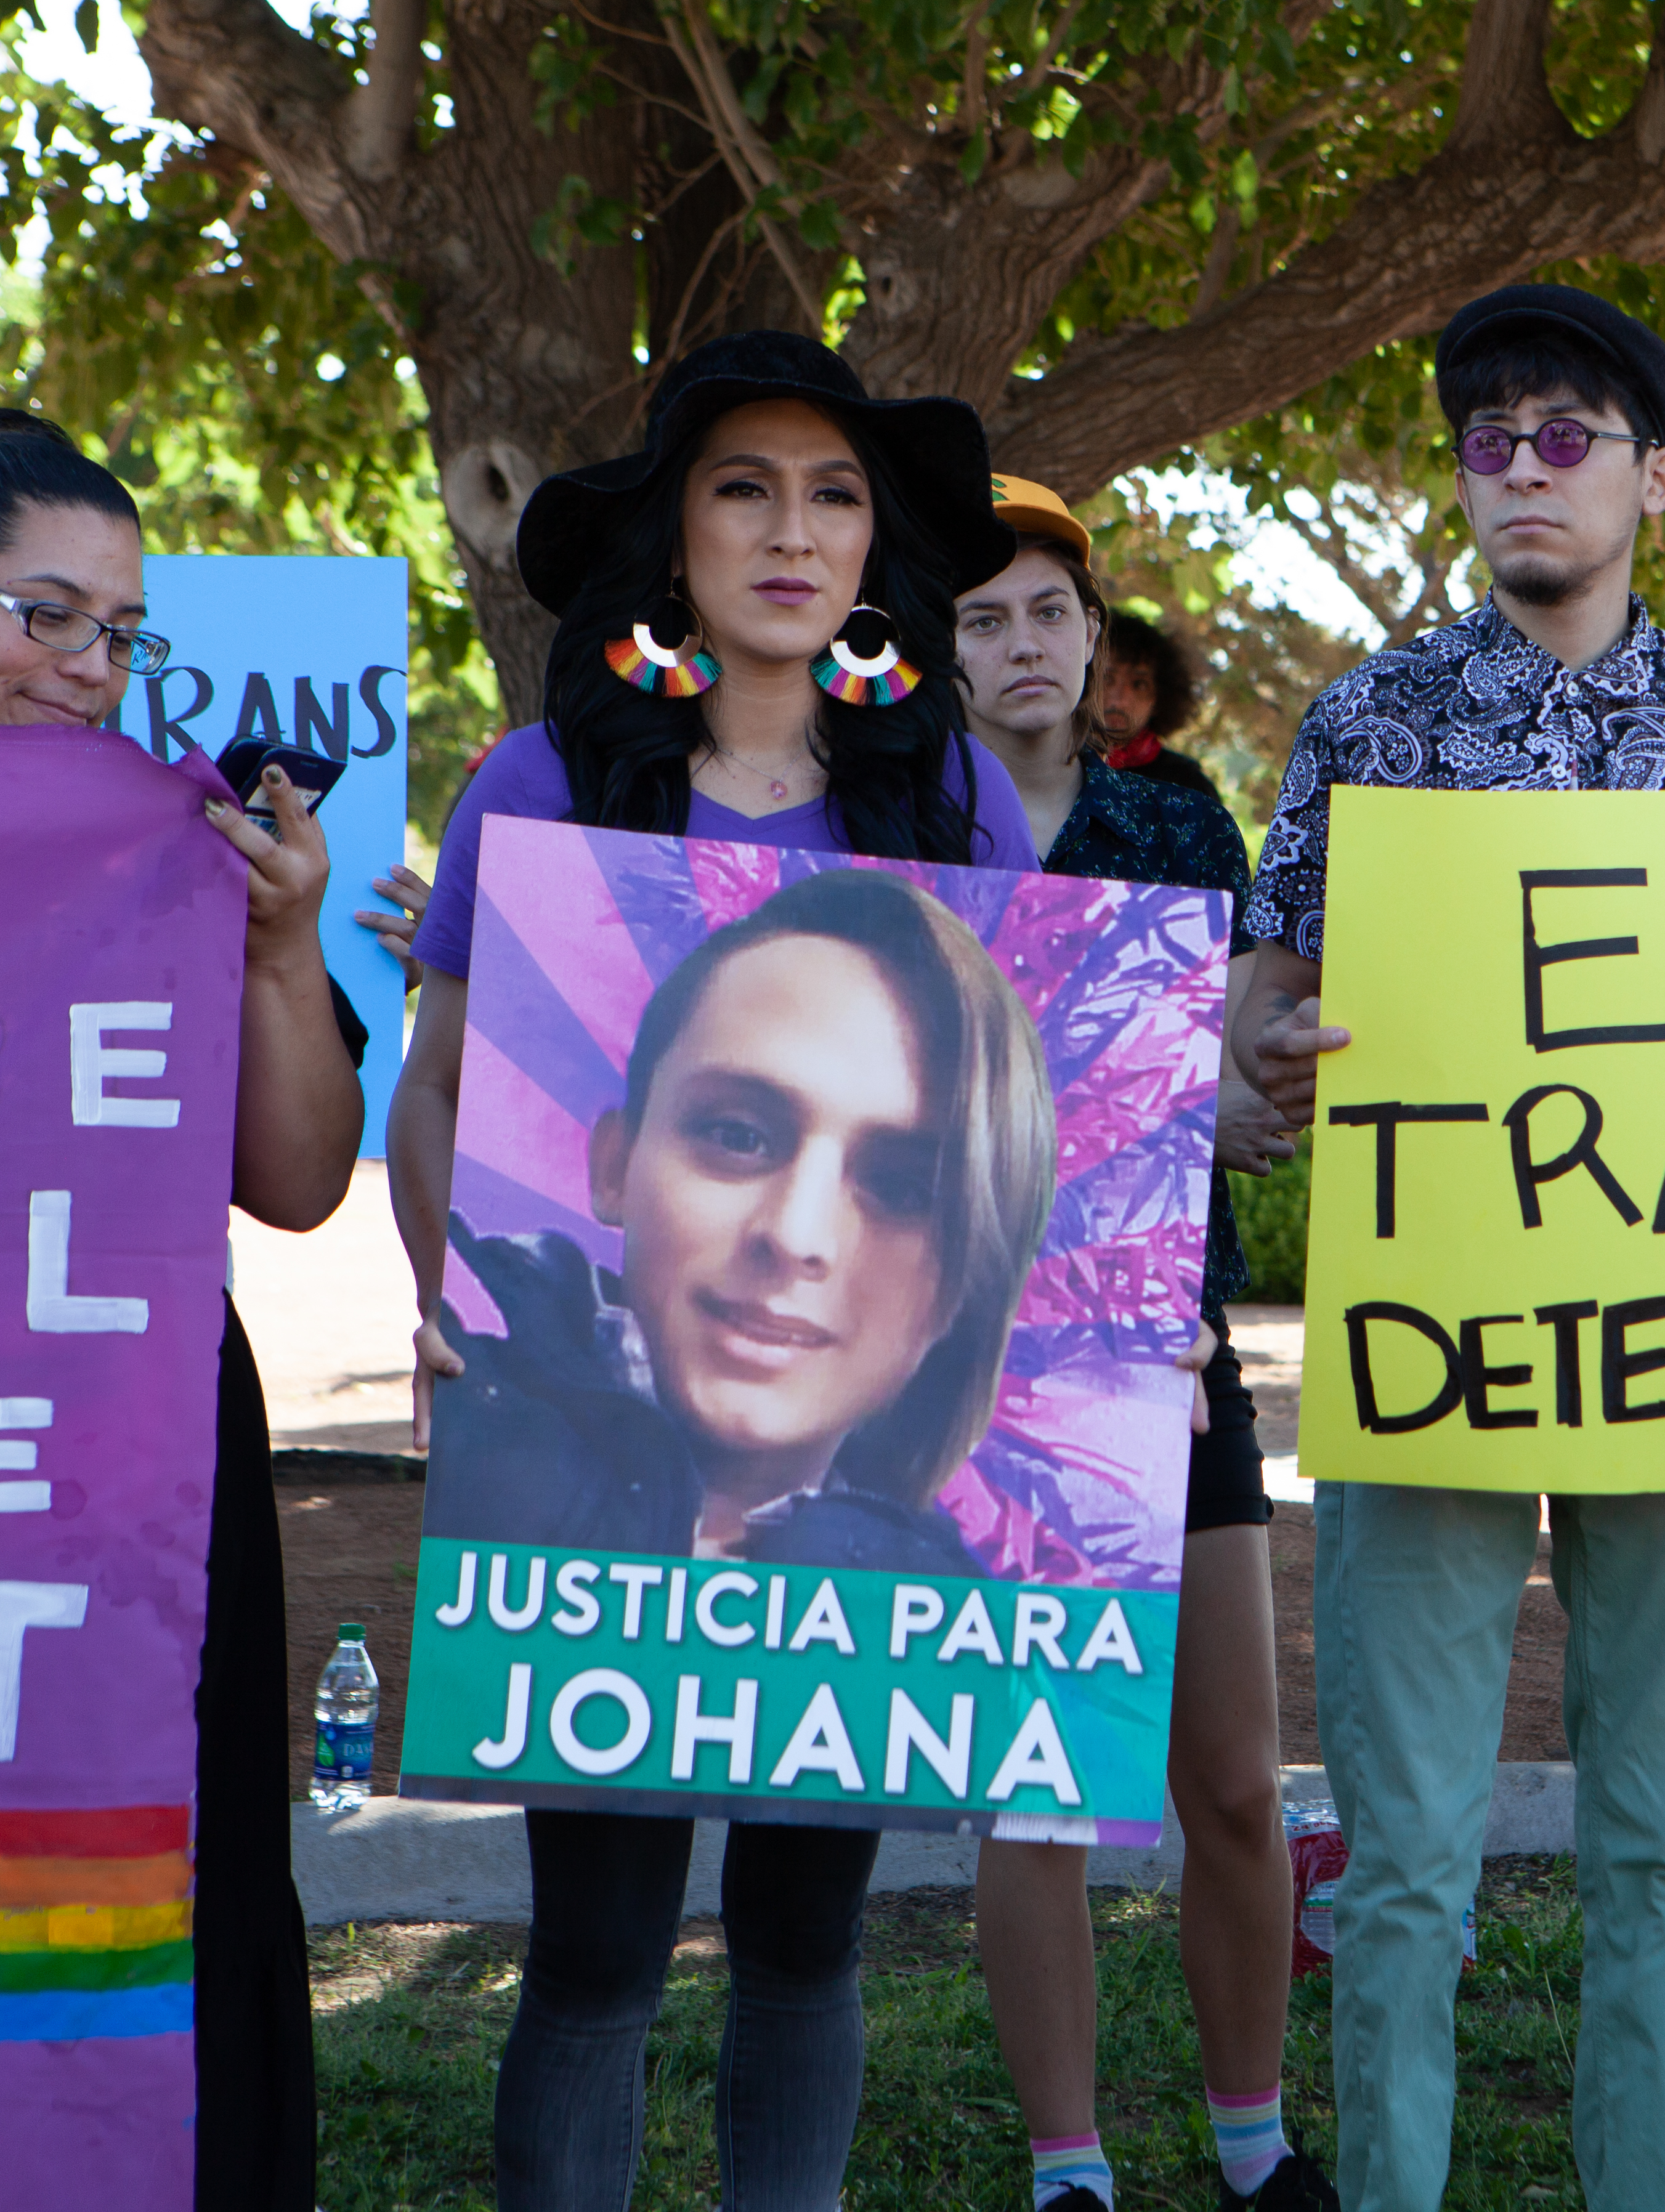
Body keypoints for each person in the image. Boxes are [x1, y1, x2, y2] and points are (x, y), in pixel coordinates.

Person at [390, 328, 1034, 2212]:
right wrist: (454, 1308)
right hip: (577, 1477)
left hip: (837, 1521)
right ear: (673, 534)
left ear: (874, 554)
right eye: (742, 485)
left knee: (805, 1932)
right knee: (593, 1942)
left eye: (833, 494)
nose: (790, 528)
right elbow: (435, 1088)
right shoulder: (542, 773)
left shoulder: (947, 800)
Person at [1233, 283, 1665, 2212]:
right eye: (1490, 438)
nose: (1523, 468)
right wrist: (1273, 1057)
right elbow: (1258, 1014)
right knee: (1401, 1851)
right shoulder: (1364, 720)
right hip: (1431, 1346)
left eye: (1567, 435)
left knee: (1663, 1837)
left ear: (1657, 475)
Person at [0, 408, 368, 2212]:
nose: (87, 667)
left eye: (121, 633)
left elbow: (302, 1182)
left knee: (168, 1863)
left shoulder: (179, 855)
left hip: (126, 1469)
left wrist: (284, 945)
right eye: (46, 614)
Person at [957, 474, 1331, 2212]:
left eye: (1045, 611)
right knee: (1034, 1788)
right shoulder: (887, 828)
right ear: (930, 651)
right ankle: (1069, 2168)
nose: (1018, 644)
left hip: (1166, 1354)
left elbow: (1233, 1067)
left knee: (1234, 1782)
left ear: (1094, 642)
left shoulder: (1180, 822)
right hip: (968, 1370)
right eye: (978, 618)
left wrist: (1256, 1101)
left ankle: (1253, 2140)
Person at [426, 865, 1057, 1573]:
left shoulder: (967, 1638)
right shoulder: (468, 1440)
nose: (793, 1235)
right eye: (737, 1136)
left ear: (967, 1281)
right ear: (615, 1165)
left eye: (903, 1188)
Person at [1095, 606, 1224, 799]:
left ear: (1159, 698)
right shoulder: (1048, 770)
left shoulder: (1188, 789)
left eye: (1139, 685)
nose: (1119, 699)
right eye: (1107, 679)